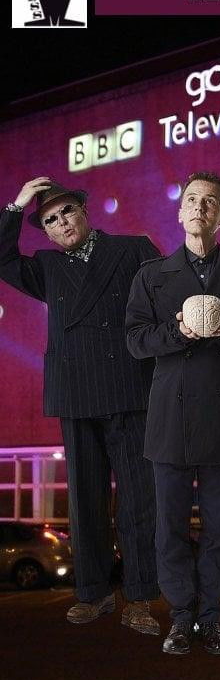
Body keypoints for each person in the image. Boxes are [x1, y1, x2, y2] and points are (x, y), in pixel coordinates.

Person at [0, 177, 160, 634]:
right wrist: (17, 205)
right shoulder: (46, 266)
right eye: (50, 219)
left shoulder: (132, 249)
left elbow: (163, 299)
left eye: (67, 211)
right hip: (74, 393)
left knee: (138, 503)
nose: (61, 222)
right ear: (46, 231)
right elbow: (1, 257)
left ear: (84, 211)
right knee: (85, 502)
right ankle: (92, 594)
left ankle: (140, 599)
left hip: (129, 389)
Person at [126, 171, 220, 656]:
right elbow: (135, 342)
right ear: (179, 211)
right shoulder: (151, 276)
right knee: (168, 530)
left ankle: (211, 620)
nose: (199, 207)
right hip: (169, 419)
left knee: (218, 532)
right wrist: (180, 330)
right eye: (191, 199)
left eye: (210, 201)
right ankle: (181, 619)